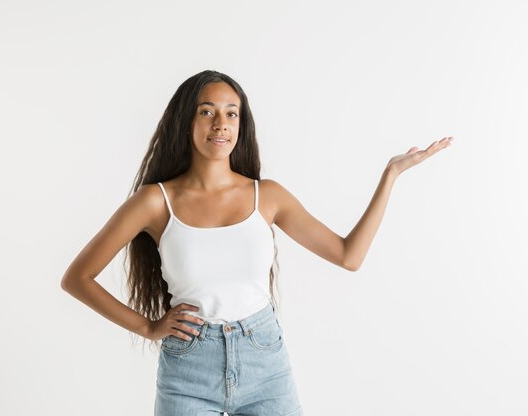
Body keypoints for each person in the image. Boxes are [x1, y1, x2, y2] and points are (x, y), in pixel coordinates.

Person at [60, 69, 453, 415]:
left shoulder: (268, 196)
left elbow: (349, 256)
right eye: (207, 111)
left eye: (232, 113)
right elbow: (78, 277)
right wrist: (147, 327)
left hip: (264, 359)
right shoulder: (154, 201)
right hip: (189, 369)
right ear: (186, 121)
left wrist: (390, 176)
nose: (221, 124)